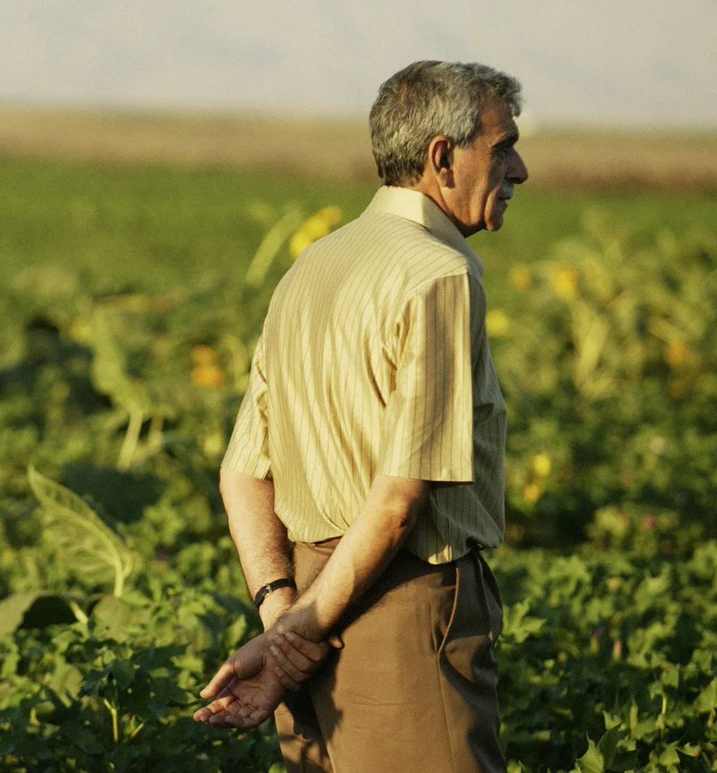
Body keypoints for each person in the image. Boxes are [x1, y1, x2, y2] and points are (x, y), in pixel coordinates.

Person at [192, 60, 529, 772]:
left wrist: (284, 616)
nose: (520, 168)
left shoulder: (311, 266)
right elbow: (400, 501)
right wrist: (301, 630)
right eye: (502, 147)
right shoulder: (438, 273)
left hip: (310, 609)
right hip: (397, 608)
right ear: (443, 155)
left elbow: (241, 474)